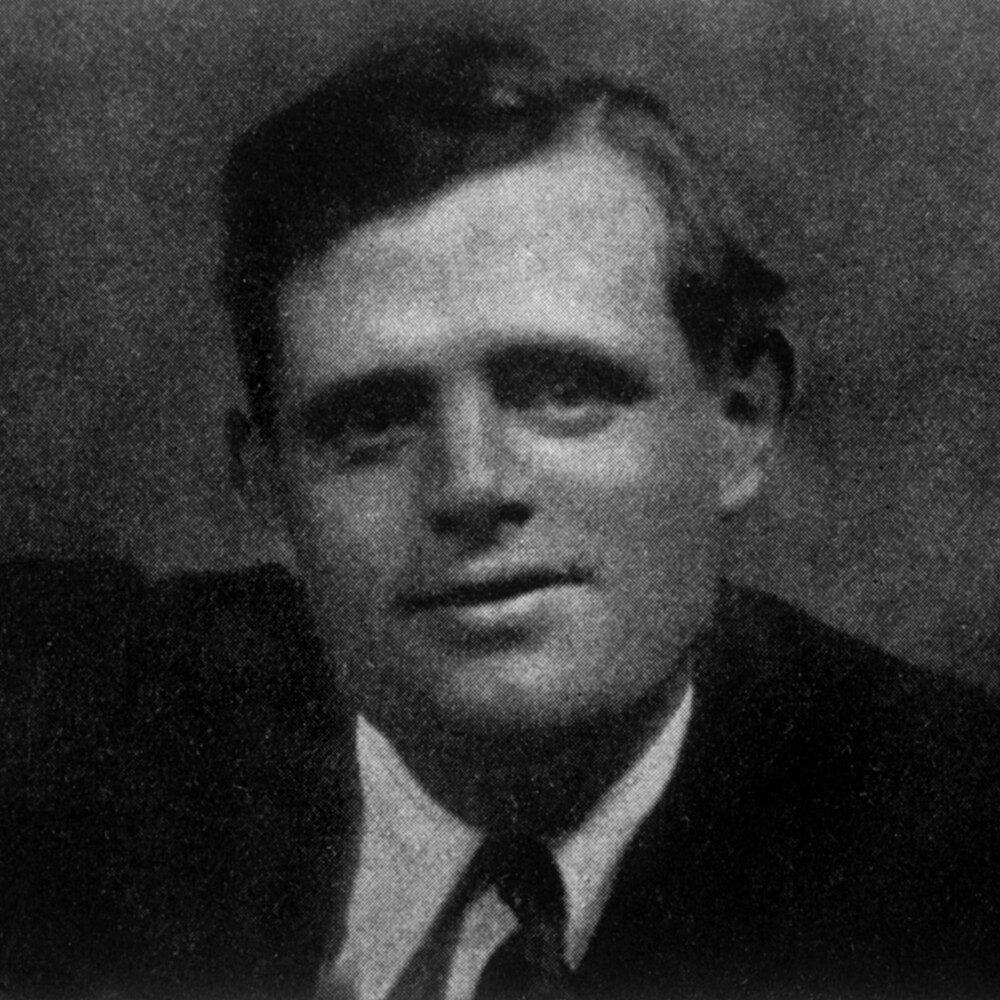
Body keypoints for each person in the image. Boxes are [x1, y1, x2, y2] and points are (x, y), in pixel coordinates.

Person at [2, 23, 1000, 1000]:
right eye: (372, 420)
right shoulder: (65, 745)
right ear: (267, 489)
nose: (472, 486)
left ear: (739, 420)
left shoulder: (956, 846)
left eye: (562, 391)